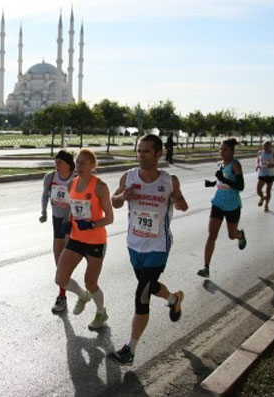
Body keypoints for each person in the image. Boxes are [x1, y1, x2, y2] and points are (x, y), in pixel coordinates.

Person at [108, 135, 189, 365]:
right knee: (151, 287)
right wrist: (123, 196)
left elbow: (183, 204)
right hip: (134, 245)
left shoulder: (169, 181)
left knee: (141, 294)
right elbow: (114, 201)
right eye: (139, 151)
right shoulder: (129, 176)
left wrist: (179, 201)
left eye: (146, 152)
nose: (141, 156)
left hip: (158, 246)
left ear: (158, 154)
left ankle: (130, 350)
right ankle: (174, 299)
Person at [54, 148, 114, 330]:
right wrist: (68, 221)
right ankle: (82, 295)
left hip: (95, 241)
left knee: (91, 282)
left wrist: (92, 224)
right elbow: (74, 208)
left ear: (92, 165)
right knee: (60, 278)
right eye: (77, 162)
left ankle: (101, 312)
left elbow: (110, 218)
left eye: (83, 163)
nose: (78, 166)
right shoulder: (72, 184)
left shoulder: (100, 186)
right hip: (76, 239)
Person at [198, 138, 246, 278]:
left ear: (232, 151)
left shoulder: (235, 165)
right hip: (218, 203)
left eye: (225, 149)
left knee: (231, 235)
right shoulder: (219, 164)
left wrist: (223, 179)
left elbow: (240, 186)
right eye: (220, 149)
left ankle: (240, 235)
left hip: (232, 205)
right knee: (212, 234)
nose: (222, 152)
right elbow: (221, 179)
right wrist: (212, 183)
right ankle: (206, 267)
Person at [40, 150, 76, 313]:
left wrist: (71, 219)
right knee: (59, 263)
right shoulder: (50, 177)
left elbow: (80, 202)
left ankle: (85, 291)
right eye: (56, 162)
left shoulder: (75, 179)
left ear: (68, 164)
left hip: (71, 222)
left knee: (66, 262)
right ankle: (63, 295)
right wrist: (44, 212)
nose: (57, 165)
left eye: (60, 162)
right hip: (56, 221)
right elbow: (44, 196)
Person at [255, 141, 274, 212]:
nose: (265, 147)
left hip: (270, 175)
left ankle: (266, 205)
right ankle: (262, 197)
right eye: (264, 146)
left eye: (267, 146)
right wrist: (257, 165)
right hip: (262, 174)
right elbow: (258, 160)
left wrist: (272, 165)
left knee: (268, 191)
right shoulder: (260, 152)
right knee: (258, 190)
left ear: (270, 146)